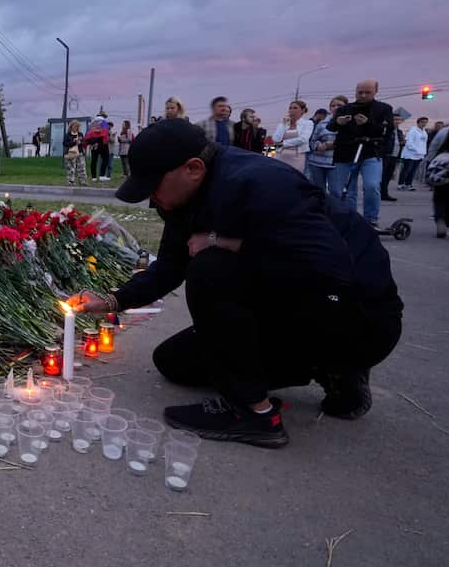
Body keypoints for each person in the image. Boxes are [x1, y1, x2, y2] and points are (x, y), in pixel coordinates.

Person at [67, 119, 403, 447]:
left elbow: (330, 270)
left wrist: (228, 242)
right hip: (299, 305)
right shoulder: (185, 200)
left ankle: (255, 414)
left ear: (194, 168)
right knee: (174, 361)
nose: (152, 200)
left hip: (355, 317)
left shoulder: (260, 184)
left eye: (154, 186)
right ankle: (332, 372)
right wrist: (111, 301)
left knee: (210, 267)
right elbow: (169, 268)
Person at [328, 79, 394, 227]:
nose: (363, 95)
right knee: (344, 189)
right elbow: (331, 127)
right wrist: (338, 122)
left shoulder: (384, 109)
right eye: (360, 92)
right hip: (345, 152)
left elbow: (387, 131)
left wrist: (367, 124)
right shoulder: (345, 109)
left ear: (375, 91)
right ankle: (349, 219)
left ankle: (371, 219)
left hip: (370, 151)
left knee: (371, 185)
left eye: (367, 92)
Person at [305, 102, 341, 192]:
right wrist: (318, 146)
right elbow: (312, 141)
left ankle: (335, 206)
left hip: (337, 163)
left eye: (339, 105)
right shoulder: (322, 124)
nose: (336, 107)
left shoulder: (350, 124)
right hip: (317, 161)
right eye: (333, 106)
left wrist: (334, 144)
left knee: (335, 192)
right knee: (318, 191)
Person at [271, 100, 313, 169]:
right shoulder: (283, 123)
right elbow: (276, 139)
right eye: (290, 108)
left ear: (302, 110)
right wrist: (283, 124)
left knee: (295, 177)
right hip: (280, 155)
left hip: (297, 156)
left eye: (295, 108)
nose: (291, 110)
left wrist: (283, 144)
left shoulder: (308, 123)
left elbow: (303, 139)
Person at [398, 117, 429, 190]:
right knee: (407, 169)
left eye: (425, 122)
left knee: (413, 171)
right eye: (422, 122)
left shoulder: (424, 132)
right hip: (410, 154)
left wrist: (423, 152)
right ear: (418, 122)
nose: (424, 124)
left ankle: (408, 184)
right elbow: (409, 143)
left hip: (419, 155)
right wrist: (416, 150)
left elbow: (424, 143)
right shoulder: (413, 130)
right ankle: (401, 184)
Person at [380, 116, 404, 201]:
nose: (397, 121)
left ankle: (384, 194)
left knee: (388, 176)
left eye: (399, 119)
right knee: (382, 176)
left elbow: (400, 143)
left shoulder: (400, 132)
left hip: (395, 156)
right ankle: (380, 194)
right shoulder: (386, 130)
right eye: (395, 119)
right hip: (385, 155)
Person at [85, 116, 112, 181]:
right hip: (101, 144)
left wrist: (93, 142)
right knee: (104, 159)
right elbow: (106, 136)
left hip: (96, 145)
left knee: (95, 160)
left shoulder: (91, 126)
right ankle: (101, 176)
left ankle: (94, 177)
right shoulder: (104, 124)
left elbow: (87, 137)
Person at [62, 119, 88, 186]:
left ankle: (82, 181)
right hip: (70, 153)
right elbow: (65, 144)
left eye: (77, 126)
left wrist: (80, 142)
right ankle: (71, 182)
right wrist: (74, 142)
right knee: (71, 168)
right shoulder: (68, 135)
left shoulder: (80, 134)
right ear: (71, 127)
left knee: (82, 167)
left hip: (80, 153)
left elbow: (84, 142)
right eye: (75, 126)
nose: (76, 128)